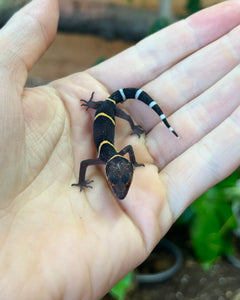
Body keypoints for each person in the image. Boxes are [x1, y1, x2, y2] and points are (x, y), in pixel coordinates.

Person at [0, 0, 239, 299]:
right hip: (105, 108)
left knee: (121, 109)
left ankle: (138, 107)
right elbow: (91, 163)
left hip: (111, 108)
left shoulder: (109, 157)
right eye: (119, 182)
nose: (119, 187)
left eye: (119, 182)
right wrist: (87, 173)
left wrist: (133, 130)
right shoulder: (107, 158)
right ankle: (125, 107)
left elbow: (98, 161)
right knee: (113, 109)